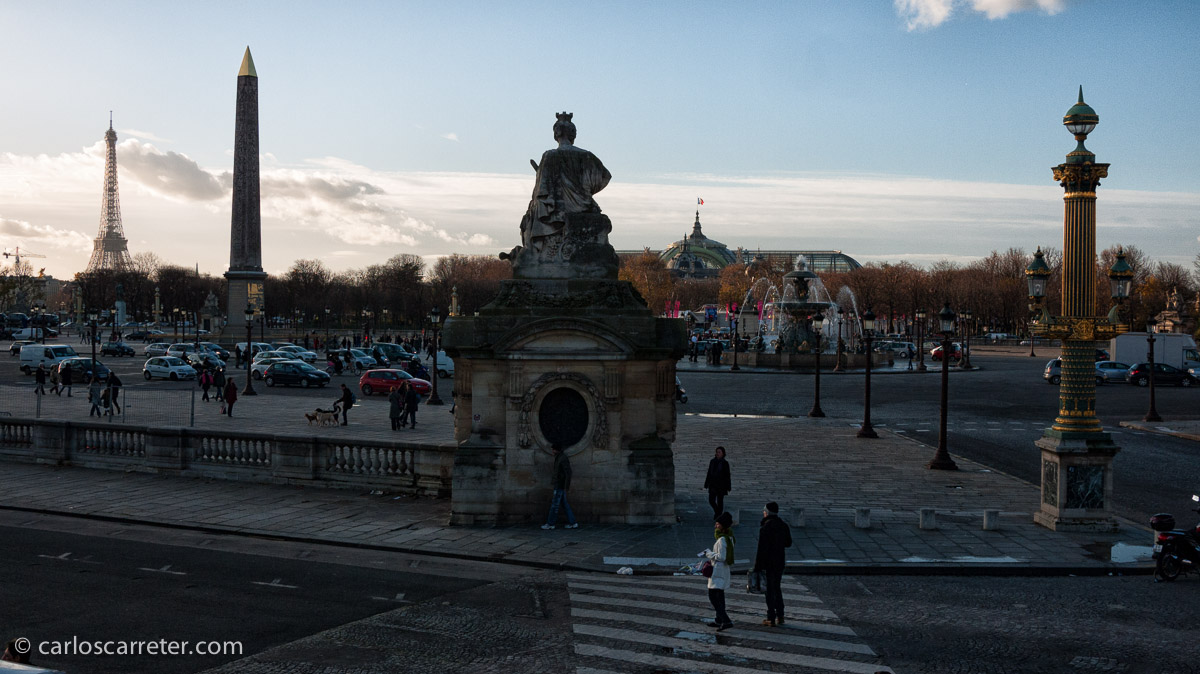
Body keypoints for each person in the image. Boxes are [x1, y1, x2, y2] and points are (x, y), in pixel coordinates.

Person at [753, 501, 793, 627]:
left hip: (768, 563)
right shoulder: (783, 525)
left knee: (769, 590)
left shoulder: (766, 527)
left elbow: (761, 549)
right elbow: (788, 543)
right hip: (780, 561)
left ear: (767, 513)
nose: (763, 513)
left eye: (764, 511)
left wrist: (757, 567)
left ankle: (771, 617)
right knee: (777, 587)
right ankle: (780, 615)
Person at [704, 511, 735, 631]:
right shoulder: (730, 537)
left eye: (717, 524)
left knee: (713, 596)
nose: (715, 526)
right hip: (723, 570)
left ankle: (726, 620)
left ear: (722, 525)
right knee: (720, 595)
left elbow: (721, 557)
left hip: (718, 570)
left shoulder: (722, 540)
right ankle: (719, 619)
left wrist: (709, 554)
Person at [541, 443, 578, 530]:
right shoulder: (559, 457)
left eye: (553, 449)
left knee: (555, 505)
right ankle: (573, 523)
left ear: (556, 450)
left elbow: (568, 473)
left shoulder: (562, 458)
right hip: (559, 484)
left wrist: (566, 486)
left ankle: (550, 524)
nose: (552, 451)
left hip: (559, 485)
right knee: (564, 504)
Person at [703, 446, 732, 520]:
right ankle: (718, 513)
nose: (717, 453)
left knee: (720, 501)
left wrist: (728, 486)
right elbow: (709, 473)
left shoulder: (725, 463)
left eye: (719, 452)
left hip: (721, 485)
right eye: (717, 452)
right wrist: (706, 483)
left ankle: (718, 515)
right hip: (713, 484)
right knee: (711, 500)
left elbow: (727, 475)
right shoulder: (712, 461)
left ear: (723, 453)